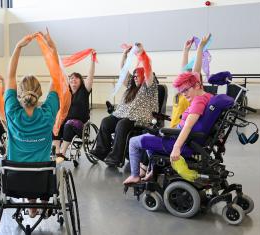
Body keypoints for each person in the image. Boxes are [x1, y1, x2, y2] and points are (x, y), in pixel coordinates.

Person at [123, 35, 211, 185]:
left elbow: (188, 126)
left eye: (185, 91)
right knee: (151, 138)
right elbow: (192, 72)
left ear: (197, 84)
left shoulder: (197, 102)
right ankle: (152, 170)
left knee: (133, 142)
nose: (184, 94)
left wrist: (176, 148)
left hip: (179, 138)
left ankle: (135, 175)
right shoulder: (204, 95)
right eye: (182, 91)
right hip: (179, 134)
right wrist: (197, 49)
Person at [4, 30, 59, 217]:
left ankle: (32, 206)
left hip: (15, 178)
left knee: (26, 170)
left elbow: (10, 77)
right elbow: (56, 79)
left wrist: (18, 46)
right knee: (41, 170)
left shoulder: (11, 111)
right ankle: (42, 204)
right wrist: (53, 49)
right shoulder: (48, 114)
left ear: (19, 93)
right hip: (41, 178)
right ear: (40, 92)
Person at [89, 43, 158, 168]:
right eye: (135, 76)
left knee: (121, 125)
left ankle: (116, 158)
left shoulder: (149, 86)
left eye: (138, 76)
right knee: (106, 121)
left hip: (138, 119)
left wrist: (142, 54)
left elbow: (148, 71)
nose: (136, 78)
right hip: (122, 115)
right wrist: (124, 55)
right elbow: (123, 71)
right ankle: (101, 151)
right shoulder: (131, 87)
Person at [52, 52, 95, 162]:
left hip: (79, 125)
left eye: (76, 78)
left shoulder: (84, 91)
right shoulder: (67, 93)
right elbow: (60, 74)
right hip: (66, 122)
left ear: (81, 81)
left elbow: (90, 76)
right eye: (71, 78)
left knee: (68, 124)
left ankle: (62, 152)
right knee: (56, 123)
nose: (73, 80)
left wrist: (92, 60)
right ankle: (56, 151)